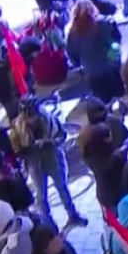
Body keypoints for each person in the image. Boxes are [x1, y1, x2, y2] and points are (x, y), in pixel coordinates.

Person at [9, 97, 85, 228]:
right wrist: (25, 150)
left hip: (52, 159)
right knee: (41, 195)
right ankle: (48, 225)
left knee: (62, 187)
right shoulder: (17, 127)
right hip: (34, 164)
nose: (30, 120)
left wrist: (50, 142)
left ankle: (73, 215)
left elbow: (62, 135)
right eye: (26, 116)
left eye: (32, 116)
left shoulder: (49, 119)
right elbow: (15, 149)